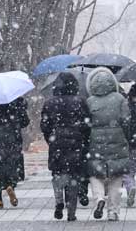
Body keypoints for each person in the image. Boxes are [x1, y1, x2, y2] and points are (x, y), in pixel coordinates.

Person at [40, 72, 91, 222]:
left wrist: (51, 138)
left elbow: (44, 125)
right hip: (76, 142)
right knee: (74, 176)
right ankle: (71, 213)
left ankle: (59, 201)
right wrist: (83, 138)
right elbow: (87, 124)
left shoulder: (49, 103)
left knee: (58, 173)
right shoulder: (80, 101)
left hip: (57, 143)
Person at [85, 67, 131, 221]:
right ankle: (113, 211)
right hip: (117, 140)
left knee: (95, 174)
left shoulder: (90, 101)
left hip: (95, 142)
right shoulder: (119, 99)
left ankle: (99, 199)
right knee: (116, 177)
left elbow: (86, 124)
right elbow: (126, 121)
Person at [0, 97, 30, 209]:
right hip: (12, 137)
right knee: (12, 164)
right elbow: (25, 122)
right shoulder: (17, 100)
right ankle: (10, 185)